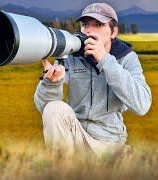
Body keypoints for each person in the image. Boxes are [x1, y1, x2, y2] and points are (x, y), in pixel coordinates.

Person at [34, 3, 152, 156]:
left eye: (99, 24)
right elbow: (44, 108)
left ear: (113, 31)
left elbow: (142, 105)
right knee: (54, 108)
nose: (89, 30)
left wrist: (105, 60)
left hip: (110, 143)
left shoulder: (126, 58)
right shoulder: (71, 54)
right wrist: (51, 84)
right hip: (77, 136)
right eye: (85, 24)